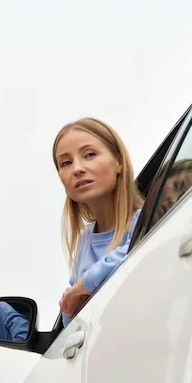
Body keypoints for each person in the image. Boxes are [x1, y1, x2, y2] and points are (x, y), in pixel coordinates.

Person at [53, 117, 143, 325]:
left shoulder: (146, 219)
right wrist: (70, 303)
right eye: (66, 163)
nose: (77, 168)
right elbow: (72, 324)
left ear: (119, 162)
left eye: (89, 155)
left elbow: (134, 252)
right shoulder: (84, 241)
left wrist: (84, 285)